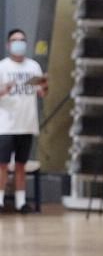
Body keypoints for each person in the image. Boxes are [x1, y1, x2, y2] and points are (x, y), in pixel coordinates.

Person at [0, 29, 47, 213]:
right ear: (8, 44)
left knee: (21, 164)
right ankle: (1, 199)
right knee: (2, 164)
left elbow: (42, 92)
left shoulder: (33, 66)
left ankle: (21, 202)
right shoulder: (3, 67)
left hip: (27, 123)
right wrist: (5, 89)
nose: (19, 43)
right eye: (15, 40)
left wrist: (44, 85)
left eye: (22, 40)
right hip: (6, 124)